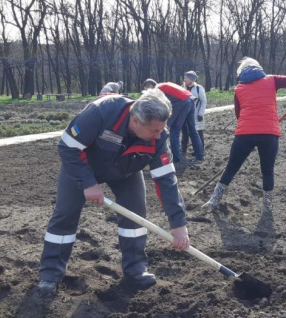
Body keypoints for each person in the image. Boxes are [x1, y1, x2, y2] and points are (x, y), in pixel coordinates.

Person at [37, 88, 190, 293]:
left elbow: (166, 180)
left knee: (135, 217)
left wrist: (178, 224)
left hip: (126, 170)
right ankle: (50, 275)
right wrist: (88, 183)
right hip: (82, 166)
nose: (159, 135)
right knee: (65, 215)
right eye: (154, 130)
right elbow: (67, 147)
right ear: (135, 121)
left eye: (161, 129)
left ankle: (136, 270)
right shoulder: (101, 112)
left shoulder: (159, 138)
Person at [202, 57, 286, 216]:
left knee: (232, 166)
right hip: (269, 133)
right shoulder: (272, 80)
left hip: (245, 133)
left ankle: (214, 199)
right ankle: (267, 207)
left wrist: (250, 134)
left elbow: (239, 115)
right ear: (258, 68)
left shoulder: (239, 88)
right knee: (267, 171)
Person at [156, 82, 204, 164]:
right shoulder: (164, 86)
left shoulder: (156, 90)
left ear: (150, 86)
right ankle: (200, 156)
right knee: (192, 130)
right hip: (191, 101)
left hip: (182, 103)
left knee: (174, 130)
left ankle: (176, 159)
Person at [181, 71, 207, 161]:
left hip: (196, 114)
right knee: (184, 132)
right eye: (184, 78)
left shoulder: (199, 88)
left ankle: (200, 150)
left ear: (191, 79)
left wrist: (200, 113)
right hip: (184, 115)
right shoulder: (182, 88)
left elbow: (203, 101)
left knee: (198, 132)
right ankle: (183, 150)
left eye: (186, 78)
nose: (184, 79)